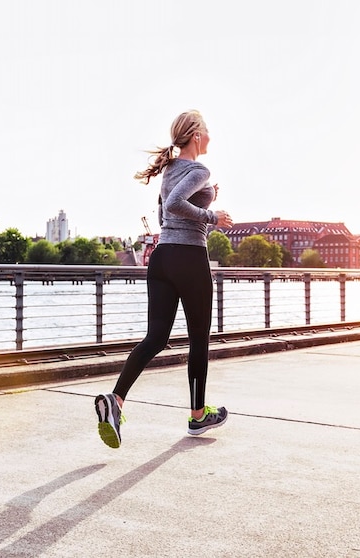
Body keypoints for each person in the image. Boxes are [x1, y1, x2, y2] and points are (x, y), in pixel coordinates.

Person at [95, 110, 234, 448]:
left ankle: (116, 400)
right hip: (188, 258)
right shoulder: (199, 169)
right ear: (197, 135)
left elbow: (163, 213)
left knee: (156, 336)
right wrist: (213, 216)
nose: (211, 137)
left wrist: (205, 196)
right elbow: (174, 205)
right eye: (208, 131)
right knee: (199, 337)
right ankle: (198, 417)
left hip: (162, 259)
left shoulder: (171, 170)